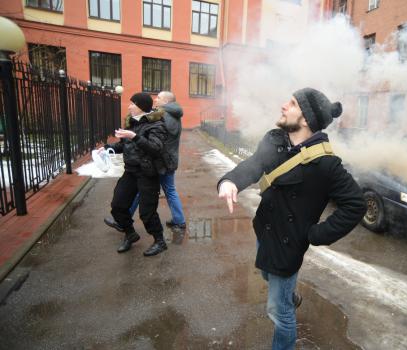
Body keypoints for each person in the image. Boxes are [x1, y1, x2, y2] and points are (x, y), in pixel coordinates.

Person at [217, 88, 366, 349]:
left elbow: (355, 204)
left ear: (306, 118)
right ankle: (289, 295)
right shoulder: (275, 140)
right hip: (264, 231)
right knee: (266, 274)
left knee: (279, 312)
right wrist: (230, 181)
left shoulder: (326, 164)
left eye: (293, 103)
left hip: (288, 246)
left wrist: (316, 235)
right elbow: (253, 165)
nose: (284, 106)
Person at [104, 91, 187, 233]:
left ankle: (124, 220)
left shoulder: (164, 116)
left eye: (159, 98)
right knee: (166, 190)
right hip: (168, 159)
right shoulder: (173, 115)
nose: (155, 99)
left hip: (161, 161)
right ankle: (179, 220)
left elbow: (157, 141)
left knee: (144, 190)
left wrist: (136, 136)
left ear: (166, 102)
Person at [103, 92, 169, 256]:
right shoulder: (132, 123)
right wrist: (105, 149)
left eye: (133, 104)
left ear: (141, 107)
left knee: (147, 212)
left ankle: (160, 241)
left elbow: (155, 148)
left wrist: (135, 137)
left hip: (148, 173)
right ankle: (130, 234)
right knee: (118, 206)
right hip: (130, 171)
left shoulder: (157, 125)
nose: (129, 106)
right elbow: (124, 145)